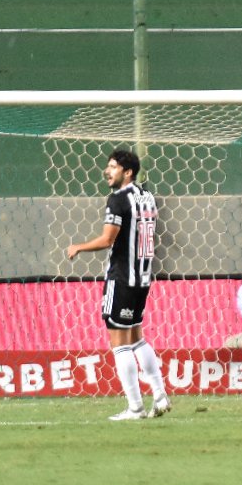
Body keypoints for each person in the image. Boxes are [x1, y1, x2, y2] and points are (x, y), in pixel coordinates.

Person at [67, 149, 170, 420]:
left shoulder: (117, 199)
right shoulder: (147, 196)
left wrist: (79, 247)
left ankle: (136, 407)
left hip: (122, 278)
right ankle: (160, 396)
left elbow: (107, 239)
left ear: (128, 172)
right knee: (137, 338)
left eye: (113, 167)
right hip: (143, 278)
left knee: (120, 344)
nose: (107, 171)